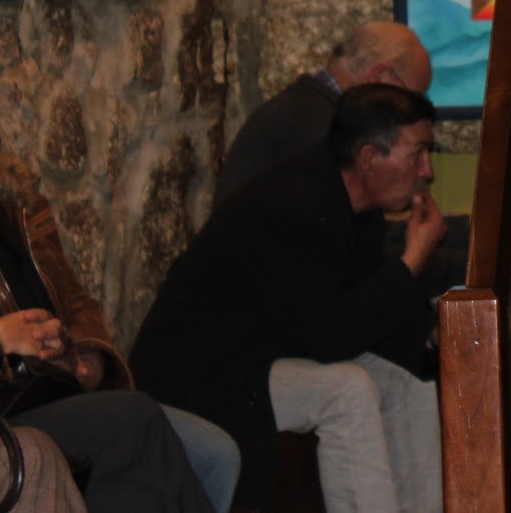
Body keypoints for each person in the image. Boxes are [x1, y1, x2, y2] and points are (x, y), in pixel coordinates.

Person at [132, 83, 448, 513]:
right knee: (347, 390)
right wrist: (411, 260)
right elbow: (330, 336)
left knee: (406, 380)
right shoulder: (291, 204)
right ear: (369, 158)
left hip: (270, 348)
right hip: (205, 368)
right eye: (418, 153)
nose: (428, 170)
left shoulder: (359, 206)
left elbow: (362, 310)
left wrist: (432, 335)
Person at [0, 45, 224, 513]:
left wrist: (88, 356)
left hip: (51, 386)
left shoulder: (11, 199)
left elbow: (73, 297)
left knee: (215, 454)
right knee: (134, 420)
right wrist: (0, 339)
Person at [214, 22, 432, 206]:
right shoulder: (320, 127)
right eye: (409, 99)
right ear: (378, 77)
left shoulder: (306, 108)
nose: (411, 114)